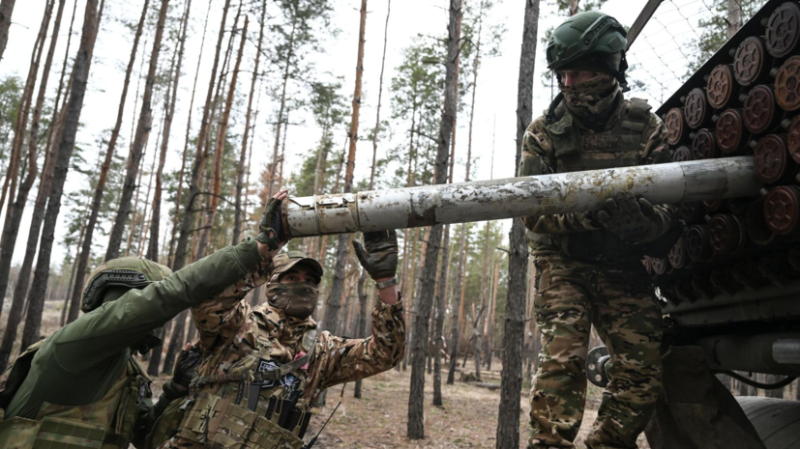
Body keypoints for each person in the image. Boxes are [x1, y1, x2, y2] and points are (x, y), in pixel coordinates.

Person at [0, 192, 290, 448]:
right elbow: (168, 295)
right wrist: (254, 251)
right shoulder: (72, 347)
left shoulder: (128, 373)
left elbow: (146, 436)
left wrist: (176, 387)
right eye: (144, 301)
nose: (157, 319)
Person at [521, 11, 680, 449]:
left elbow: (671, 209)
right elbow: (533, 213)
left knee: (642, 372)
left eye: (579, 73)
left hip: (621, 263)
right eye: (563, 75)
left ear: (608, 69)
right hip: (562, 260)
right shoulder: (544, 132)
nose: (568, 84)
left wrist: (645, 225)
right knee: (563, 361)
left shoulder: (646, 129)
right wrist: (590, 216)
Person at [149, 193, 406, 449]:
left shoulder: (323, 350)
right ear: (271, 284)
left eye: (309, 280)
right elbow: (208, 300)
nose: (302, 285)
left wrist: (386, 281)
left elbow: (384, 354)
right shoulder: (238, 322)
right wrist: (264, 249)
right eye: (291, 278)